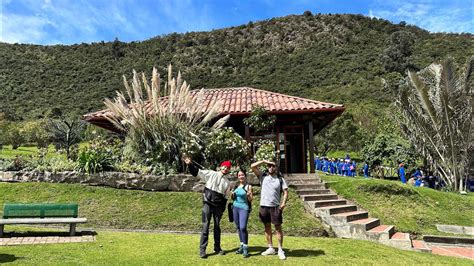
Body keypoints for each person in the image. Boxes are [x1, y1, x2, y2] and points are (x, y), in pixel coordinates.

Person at [183, 156, 232, 259]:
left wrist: (222, 209)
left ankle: (217, 248)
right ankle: (202, 250)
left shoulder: (227, 182)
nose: (225, 169)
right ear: (220, 167)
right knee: (205, 226)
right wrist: (190, 164)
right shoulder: (211, 174)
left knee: (217, 227)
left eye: (227, 168)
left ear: (229, 170)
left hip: (218, 207)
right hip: (207, 204)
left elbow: (226, 197)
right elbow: (198, 172)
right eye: (224, 167)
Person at [250, 160, 289, 260]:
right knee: (267, 227)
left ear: (276, 167)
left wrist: (283, 203)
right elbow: (253, 166)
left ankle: (280, 249)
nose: (271, 167)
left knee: (278, 229)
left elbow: (285, 192)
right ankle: (270, 248)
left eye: (273, 166)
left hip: (275, 207)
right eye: (269, 166)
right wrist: (263, 161)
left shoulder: (280, 179)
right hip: (264, 206)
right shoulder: (262, 176)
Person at [231, 170, 253, 258]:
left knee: (243, 227)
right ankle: (241, 246)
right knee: (238, 227)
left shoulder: (248, 186)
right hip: (235, 207)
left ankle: (245, 248)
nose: (241, 176)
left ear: (245, 175)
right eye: (239, 175)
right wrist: (232, 194)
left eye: (242, 175)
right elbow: (232, 198)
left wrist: (248, 195)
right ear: (238, 177)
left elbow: (251, 199)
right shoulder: (235, 185)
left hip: (244, 207)